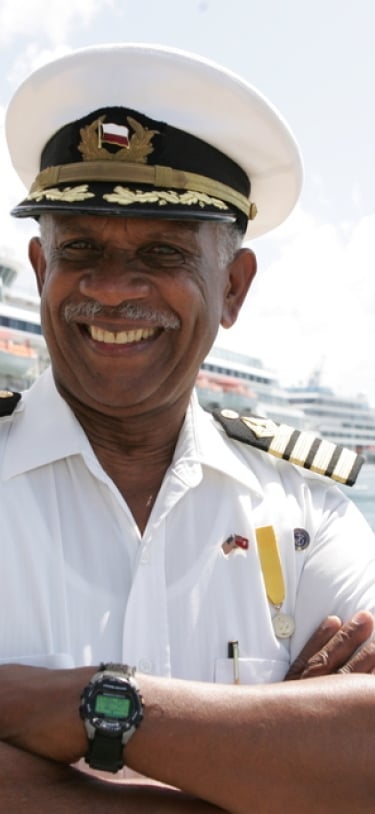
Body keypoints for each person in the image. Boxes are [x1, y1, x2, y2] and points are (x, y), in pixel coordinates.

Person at [2, 42, 375, 813]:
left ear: (232, 289)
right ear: (40, 270)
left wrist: (83, 708)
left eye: (164, 252)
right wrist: (264, 763)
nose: (111, 289)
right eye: (81, 249)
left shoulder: (308, 510)